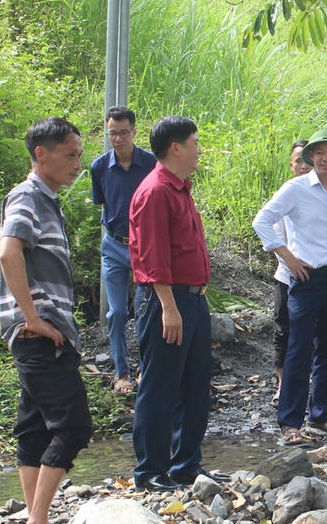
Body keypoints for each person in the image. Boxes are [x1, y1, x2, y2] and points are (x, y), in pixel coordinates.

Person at [0, 116, 96, 524]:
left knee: (34, 427)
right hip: (40, 333)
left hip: (46, 332)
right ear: (42, 153)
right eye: (71, 154)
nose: (79, 163)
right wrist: (32, 318)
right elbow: (8, 251)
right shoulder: (28, 196)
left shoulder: (47, 200)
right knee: (73, 425)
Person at [128, 115, 226, 490]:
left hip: (193, 300)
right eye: (196, 143)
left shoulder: (180, 188)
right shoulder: (155, 191)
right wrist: (168, 307)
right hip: (166, 301)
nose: (199, 151)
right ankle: (151, 471)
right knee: (160, 385)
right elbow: (152, 257)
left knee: (195, 384)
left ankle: (186, 465)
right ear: (175, 148)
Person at [253, 128, 327, 446]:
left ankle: (322, 415)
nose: (326, 158)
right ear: (311, 157)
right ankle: (290, 422)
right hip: (306, 280)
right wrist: (287, 256)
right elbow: (262, 220)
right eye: (320, 153)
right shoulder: (296, 189)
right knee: (298, 350)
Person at [89, 106, 157, 395]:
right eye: (112, 134)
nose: (118, 139)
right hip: (114, 245)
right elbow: (102, 203)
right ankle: (121, 373)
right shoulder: (99, 167)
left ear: (134, 132)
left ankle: (147, 369)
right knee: (116, 312)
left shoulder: (152, 164)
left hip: (145, 247)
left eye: (123, 133)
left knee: (145, 310)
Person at [272, 140, 313, 399]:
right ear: (291, 165)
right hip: (287, 276)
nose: (303, 166)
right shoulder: (284, 195)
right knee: (283, 329)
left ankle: (310, 384)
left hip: (316, 278)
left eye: (307, 161)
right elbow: (274, 235)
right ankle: (282, 384)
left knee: (313, 333)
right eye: (298, 161)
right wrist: (293, 263)